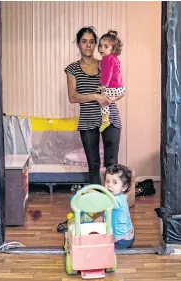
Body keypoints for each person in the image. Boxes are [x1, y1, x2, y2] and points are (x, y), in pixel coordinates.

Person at [57, 26, 124, 233]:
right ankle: (95, 213)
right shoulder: (72, 69)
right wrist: (96, 96)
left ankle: (112, 213)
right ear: (78, 44)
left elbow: (118, 86)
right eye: (84, 41)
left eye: (91, 41)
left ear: (96, 44)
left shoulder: (106, 61)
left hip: (110, 117)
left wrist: (114, 97)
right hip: (88, 120)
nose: (88, 45)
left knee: (112, 166)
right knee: (94, 166)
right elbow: (73, 97)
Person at [97, 30, 125, 132]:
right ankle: (106, 120)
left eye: (106, 46)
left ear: (113, 49)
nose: (101, 49)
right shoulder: (114, 58)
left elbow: (107, 74)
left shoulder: (108, 59)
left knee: (103, 100)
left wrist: (104, 85)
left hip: (113, 88)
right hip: (119, 88)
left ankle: (105, 120)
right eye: (100, 46)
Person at [103, 164, 135, 249]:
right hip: (121, 236)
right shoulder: (112, 197)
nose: (109, 185)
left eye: (115, 182)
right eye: (107, 181)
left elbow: (101, 203)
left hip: (122, 240)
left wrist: (92, 193)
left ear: (124, 187)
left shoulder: (119, 199)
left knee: (101, 250)